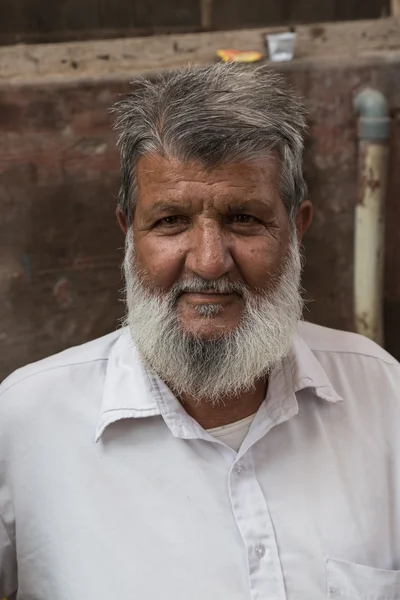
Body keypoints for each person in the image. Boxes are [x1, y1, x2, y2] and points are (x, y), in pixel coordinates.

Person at [0, 63, 399, 600]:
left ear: (296, 230)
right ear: (129, 233)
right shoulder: (23, 426)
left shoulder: (382, 396)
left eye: (244, 219)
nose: (210, 262)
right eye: (170, 222)